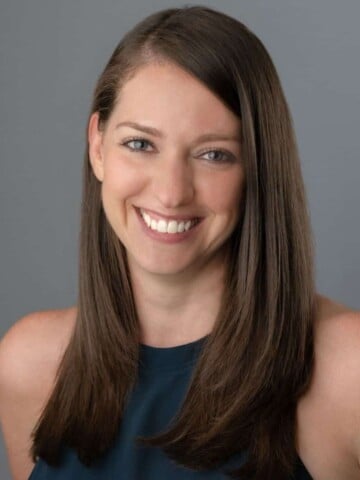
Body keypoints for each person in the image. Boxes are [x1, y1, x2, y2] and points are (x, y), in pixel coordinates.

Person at [0, 5, 359, 480]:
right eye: (140, 144)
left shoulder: (345, 370)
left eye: (214, 154)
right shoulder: (28, 365)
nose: (171, 192)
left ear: (257, 169)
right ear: (97, 146)